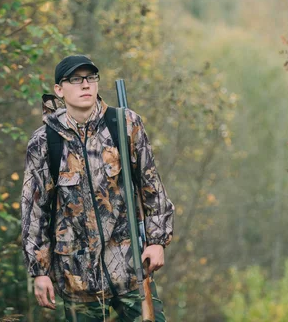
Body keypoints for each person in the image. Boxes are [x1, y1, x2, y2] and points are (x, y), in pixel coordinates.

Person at [21, 55, 174, 321]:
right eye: (76, 79)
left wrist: (157, 241)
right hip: (76, 278)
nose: (85, 85)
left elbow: (152, 185)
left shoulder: (124, 124)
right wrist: (40, 271)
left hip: (131, 269)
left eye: (91, 78)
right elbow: (34, 211)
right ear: (59, 89)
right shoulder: (44, 141)